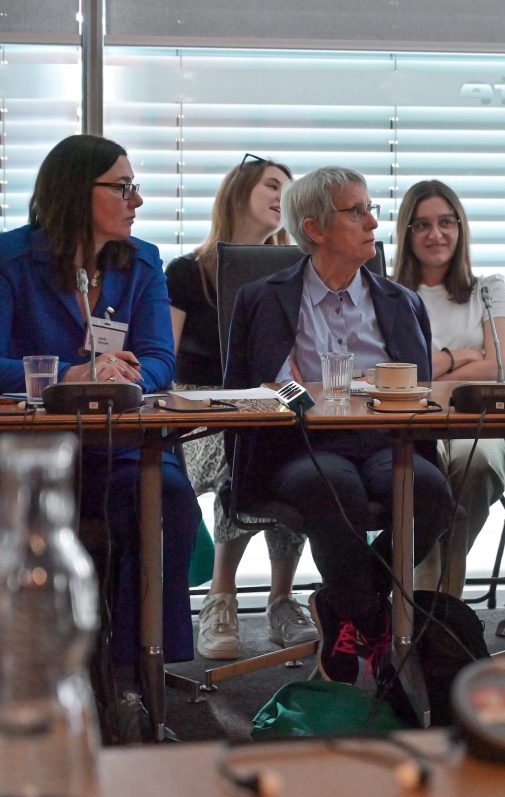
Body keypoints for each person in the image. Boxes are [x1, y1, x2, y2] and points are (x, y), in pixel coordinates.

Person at [0, 134, 201, 737]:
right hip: (30, 453)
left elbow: (163, 360)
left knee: (166, 500)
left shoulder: (140, 262)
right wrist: (69, 373)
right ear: (75, 191)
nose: (136, 199)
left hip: (120, 449)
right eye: (122, 186)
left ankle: (134, 673)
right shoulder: (11, 261)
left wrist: (123, 371)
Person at [224, 166, 453, 686]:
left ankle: (343, 607)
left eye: (371, 208)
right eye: (358, 211)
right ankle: (375, 620)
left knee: (433, 492)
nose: (374, 221)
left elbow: (415, 390)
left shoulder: (401, 301)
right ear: (315, 229)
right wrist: (294, 395)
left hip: (381, 439)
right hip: (298, 444)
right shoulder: (263, 298)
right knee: (335, 486)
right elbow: (245, 390)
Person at [166, 154, 316, 660]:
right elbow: (163, 358)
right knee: (246, 447)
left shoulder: (296, 272)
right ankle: (221, 596)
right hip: (201, 409)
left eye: (289, 190)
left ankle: (281, 600)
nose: (283, 196)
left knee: (298, 448)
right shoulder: (187, 272)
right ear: (238, 193)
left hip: (270, 399)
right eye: (273, 185)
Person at [392, 179, 505, 597]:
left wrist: (432, 365)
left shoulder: (488, 289)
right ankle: (436, 601)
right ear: (406, 233)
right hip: (410, 422)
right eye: (422, 225)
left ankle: (437, 593)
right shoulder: (387, 295)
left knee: (475, 463)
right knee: (424, 474)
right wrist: (461, 356)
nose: (435, 234)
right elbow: (394, 376)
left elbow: (500, 366)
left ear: (460, 229)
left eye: (446, 222)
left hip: (474, 419)